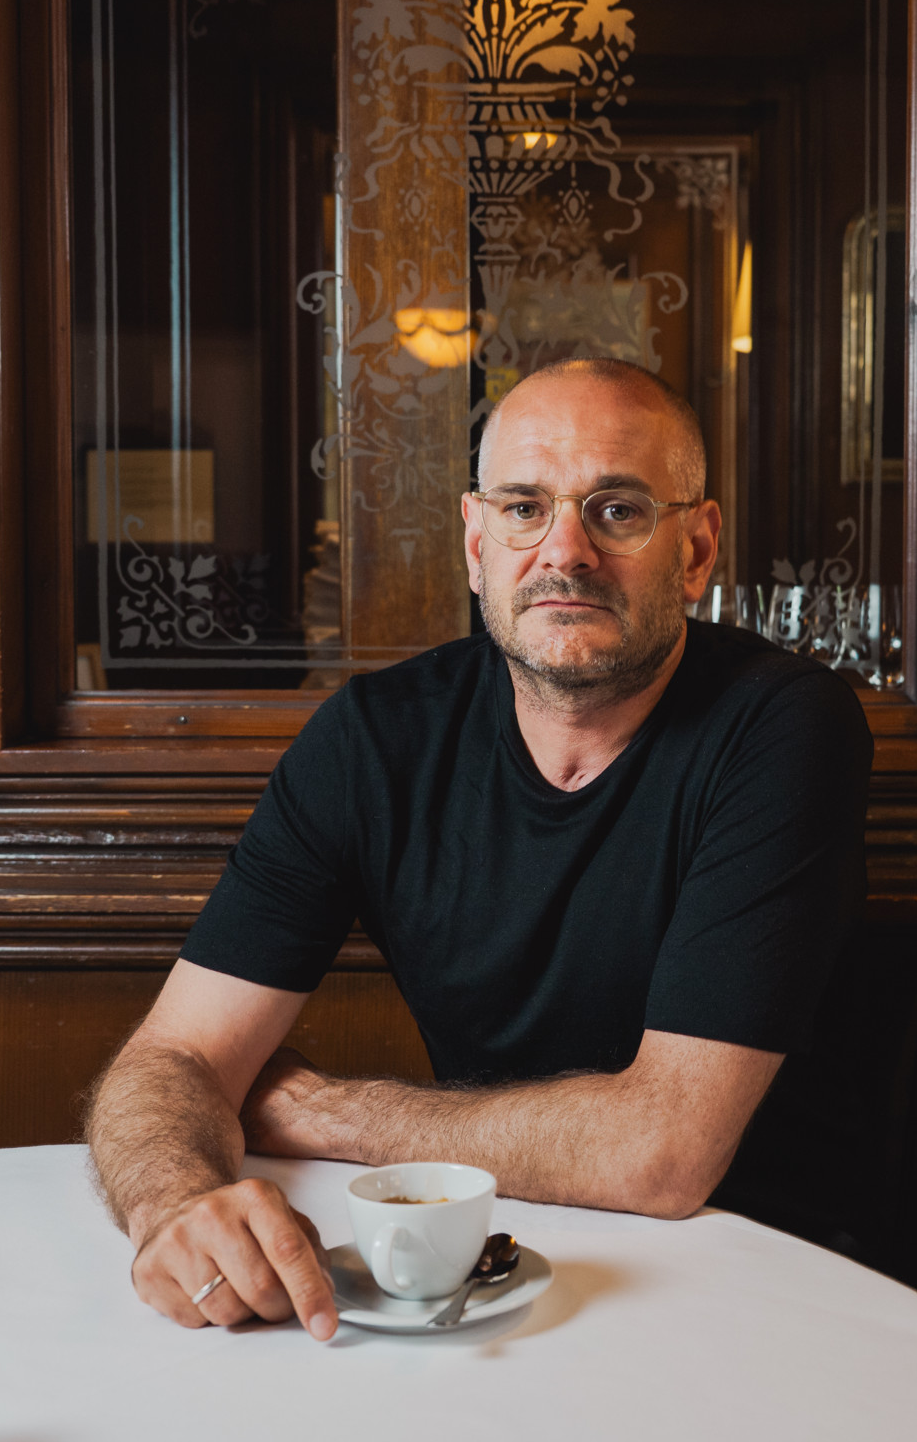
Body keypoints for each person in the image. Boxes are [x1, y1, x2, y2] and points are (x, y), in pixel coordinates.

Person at [87, 359, 872, 1338]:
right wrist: (175, 1206)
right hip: (487, 1267)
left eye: (617, 511)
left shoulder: (783, 727)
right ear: (475, 542)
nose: (565, 552)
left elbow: (661, 1155)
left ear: (696, 548)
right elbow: (173, 1056)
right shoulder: (374, 739)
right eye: (523, 508)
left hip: (756, 1290)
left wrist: (321, 1111)